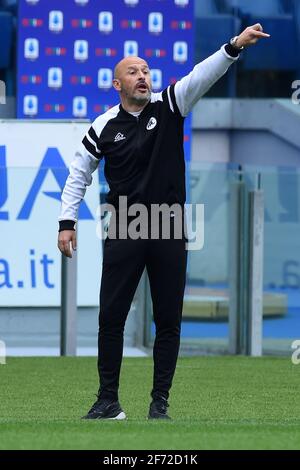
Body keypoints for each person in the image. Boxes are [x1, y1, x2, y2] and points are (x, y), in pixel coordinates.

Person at [58, 24, 270, 420]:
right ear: (117, 85)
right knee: (111, 317)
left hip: (169, 225)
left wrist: (233, 47)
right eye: (134, 72)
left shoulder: (170, 104)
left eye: (146, 70)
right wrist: (66, 221)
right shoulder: (103, 125)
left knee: (168, 318)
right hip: (123, 225)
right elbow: (79, 173)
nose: (143, 76)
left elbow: (202, 74)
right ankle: (108, 401)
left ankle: (160, 404)